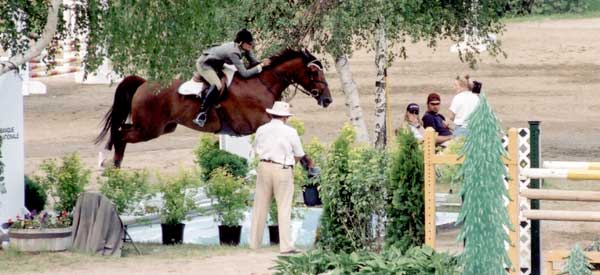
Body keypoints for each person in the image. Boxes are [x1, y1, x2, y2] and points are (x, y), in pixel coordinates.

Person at [250, 101, 306, 254]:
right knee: (284, 207)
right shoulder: (290, 132)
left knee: (260, 205)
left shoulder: (261, 129)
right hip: (282, 167)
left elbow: (255, 148)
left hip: (264, 166)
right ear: (285, 117)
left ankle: (254, 243)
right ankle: (285, 246)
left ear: (272, 114)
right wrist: (290, 164)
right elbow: (299, 154)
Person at [193, 29, 271, 127]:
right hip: (205, 64)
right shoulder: (233, 52)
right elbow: (245, 74)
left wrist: (263, 63)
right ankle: (201, 114)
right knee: (218, 85)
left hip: (217, 64)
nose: (251, 46)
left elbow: (254, 62)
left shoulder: (245, 48)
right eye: (249, 44)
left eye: (252, 43)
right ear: (241, 43)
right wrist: (261, 65)